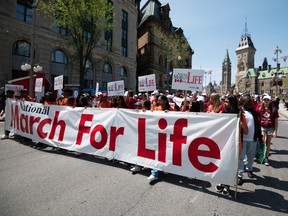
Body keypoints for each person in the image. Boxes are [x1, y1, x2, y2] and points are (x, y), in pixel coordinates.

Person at [215, 95, 248, 196]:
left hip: (235, 143)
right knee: (222, 163)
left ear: (232, 103)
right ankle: (221, 181)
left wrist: (240, 123)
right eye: (224, 102)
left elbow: (246, 131)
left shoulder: (240, 114)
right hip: (223, 143)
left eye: (227, 102)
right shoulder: (223, 113)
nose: (225, 104)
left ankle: (227, 185)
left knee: (232, 165)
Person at [238, 95, 262, 184]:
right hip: (242, 139)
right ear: (243, 102)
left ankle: (249, 169)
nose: (250, 103)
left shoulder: (254, 112)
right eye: (248, 101)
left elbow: (257, 125)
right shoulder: (239, 112)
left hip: (252, 139)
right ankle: (239, 175)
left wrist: (260, 137)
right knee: (241, 158)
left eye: (250, 101)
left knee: (251, 157)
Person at [257, 95, 279, 166]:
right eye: (264, 100)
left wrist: (275, 131)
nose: (266, 101)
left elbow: (276, 121)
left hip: (270, 128)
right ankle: (262, 156)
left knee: (268, 142)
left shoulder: (273, 109)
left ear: (270, 101)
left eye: (267, 100)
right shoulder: (260, 109)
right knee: (263, 142)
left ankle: (266, 157)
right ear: (262, 100)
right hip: (263, 127)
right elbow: (257, 119)